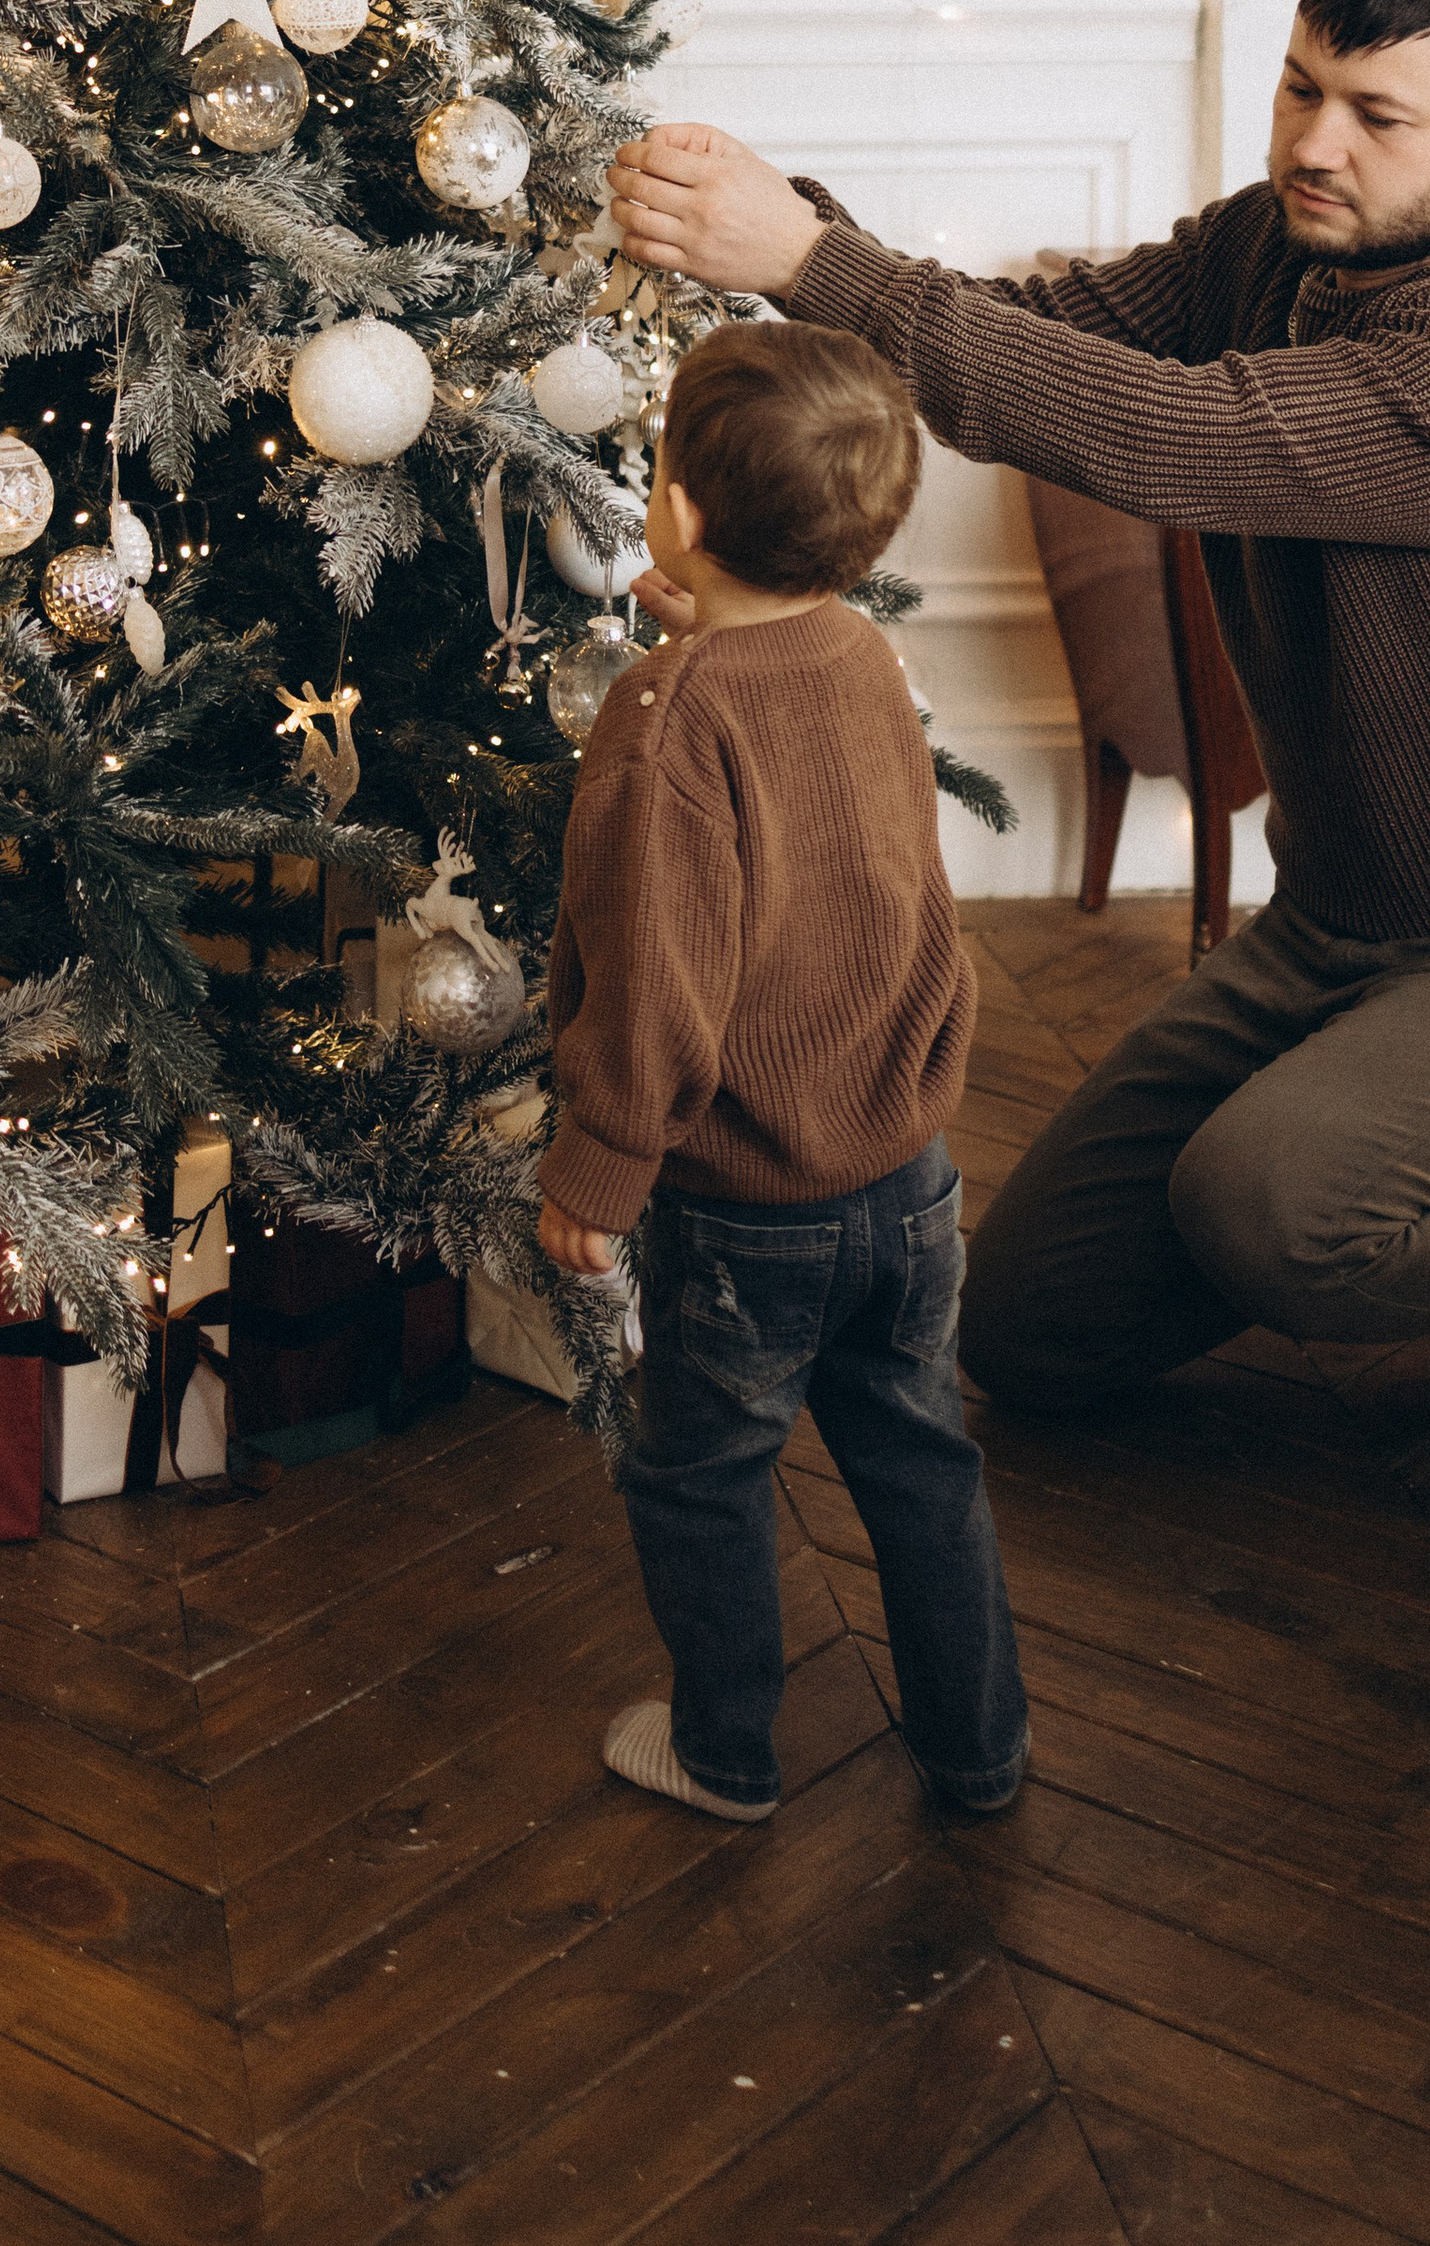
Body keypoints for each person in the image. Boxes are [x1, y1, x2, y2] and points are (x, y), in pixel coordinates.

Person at [605, 0, 1430, 1511]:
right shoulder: (1272, 249)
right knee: (1029, 1327)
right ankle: (1337, 1150)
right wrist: (809, 235)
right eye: (1298, 88)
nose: (1314, 143)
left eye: (1377, 114)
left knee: (1273, 1209)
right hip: (1336, 932)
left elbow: (1170, 438)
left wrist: (802, 256)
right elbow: (1044, 339)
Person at [535, 320, 1029, 1822]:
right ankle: (978, 1744)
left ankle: (728, 1748)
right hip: (908, 1172)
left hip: (752, 1204)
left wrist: (597, 1169)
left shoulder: (667, 716)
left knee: (698, 1470)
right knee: (920, 1455)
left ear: (677, 510)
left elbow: (657, 981)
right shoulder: (863, 654)